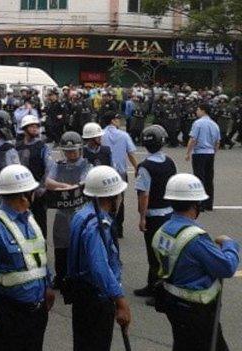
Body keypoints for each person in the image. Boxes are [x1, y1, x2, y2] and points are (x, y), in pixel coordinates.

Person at [0, 164, 55, 351]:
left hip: (36, 311)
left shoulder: (30, 219)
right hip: (9, 313)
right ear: (24, 195)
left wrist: (47, 285)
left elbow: (38, 256)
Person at [152, 173, 239, 351]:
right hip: (196, 309)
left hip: (173, 301)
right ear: (195, 204)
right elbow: (227, 267)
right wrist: (230, 245)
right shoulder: (194, 238)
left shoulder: (163, 230)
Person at [67, 165, 132, 351]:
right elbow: (100, 267)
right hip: (95, 298)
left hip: (81, 293)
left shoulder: (81, 215)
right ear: (111, 198)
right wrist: (119, 299)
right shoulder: (98, 224)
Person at [133, 125, 177, 306]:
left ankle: (160, 292)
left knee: (154, 254)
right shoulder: (169, 162)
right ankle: (153, 285)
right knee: (164, 252)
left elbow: (144, 194)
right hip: (169, 213)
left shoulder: (145, 167)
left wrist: (142, 217)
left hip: (153, 215)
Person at [45, 131, 91, 288]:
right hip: (62, 211)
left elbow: (83, 182)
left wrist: (69, 187)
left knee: (79, 244)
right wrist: (64, 186)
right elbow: (48, 182)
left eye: (73, 150)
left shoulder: (86, 164)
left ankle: (77, 276)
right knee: (60, 245)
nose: (71, 154)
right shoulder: (59, 165)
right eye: (67, 151)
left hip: (80, 211)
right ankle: (60, 276)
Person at [101, 112, 138, 238]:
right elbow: (131, 153)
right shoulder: (124, 135)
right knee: (119, 201)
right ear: (112, 121)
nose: (119, 121)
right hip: (120, 173)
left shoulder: (100, 134)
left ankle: (106, 224)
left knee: (104, 198)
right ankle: (118, 228)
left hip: (104, 172)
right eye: (117, 119)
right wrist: (136, 167)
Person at [15, 115, 51, 238]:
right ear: (25, 128)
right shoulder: (17, 146)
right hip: (20, 190)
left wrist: (41, 188)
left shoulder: (43, 146)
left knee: (40, 225)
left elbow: (49, 169)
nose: (35, 128)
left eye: (36, 126)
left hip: (38, 192)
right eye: (31, 126)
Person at [185, 103, 220, 211]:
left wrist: (188, 152)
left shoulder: (198, 123)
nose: (196, 111)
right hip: (210, 153)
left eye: (198, 109)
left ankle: (199, 203)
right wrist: (214, 152)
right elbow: (217, 142)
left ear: (203, 111)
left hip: (199, 153)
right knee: (209, 178)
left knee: (199, 177)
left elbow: (193, 139)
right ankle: (209, 204)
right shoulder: (214, 124)